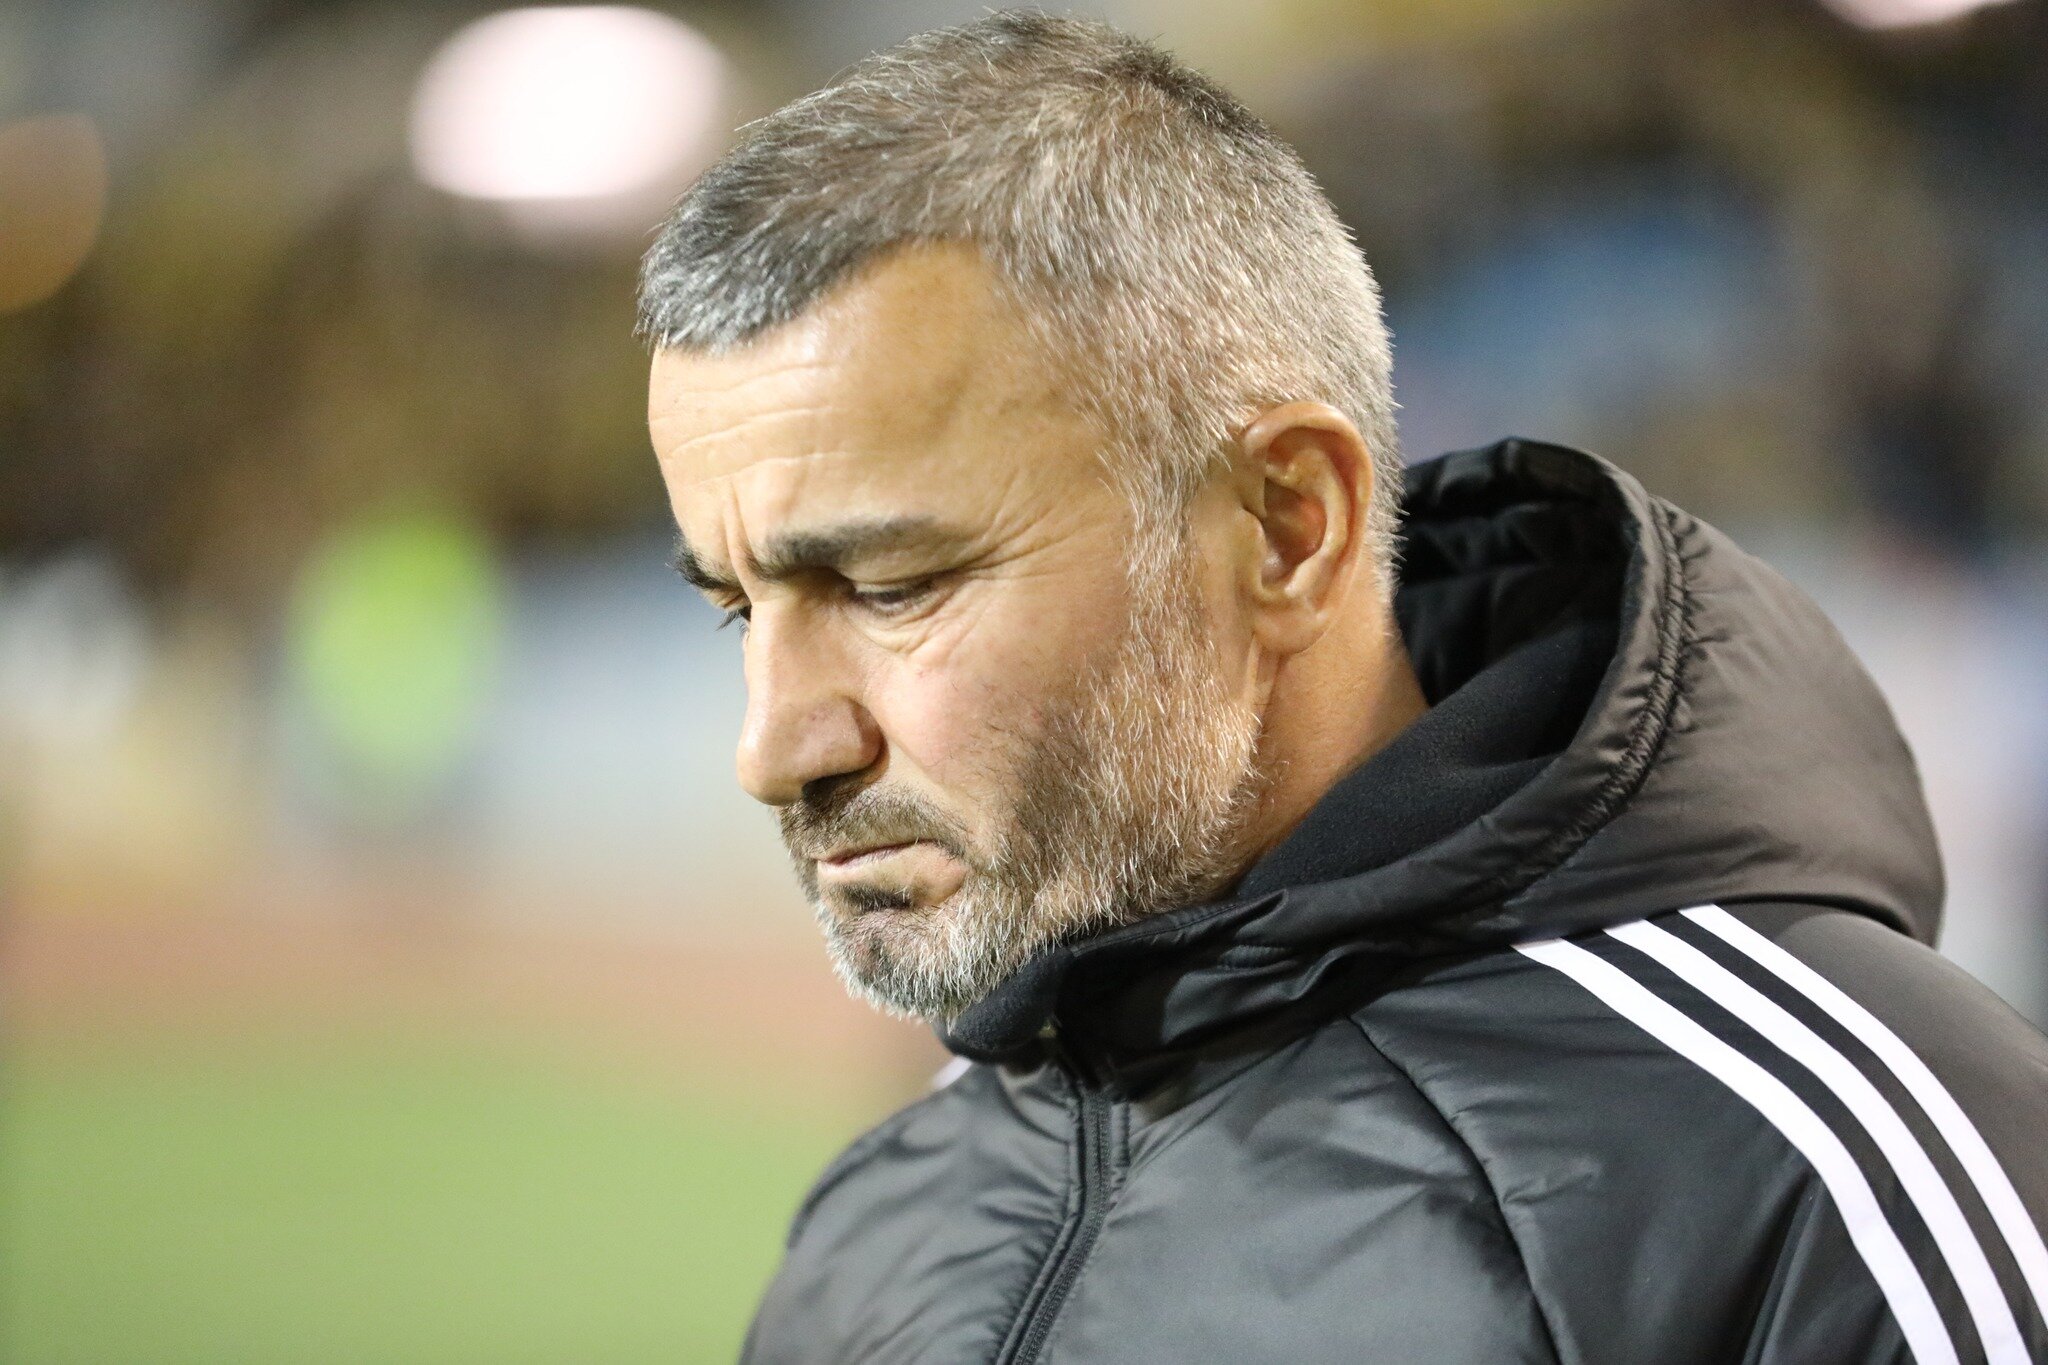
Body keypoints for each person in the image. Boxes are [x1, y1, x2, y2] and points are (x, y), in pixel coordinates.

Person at [638, 13, 2048, 1363]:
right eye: (738, 610)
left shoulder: (1829, 1186)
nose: (775, 747)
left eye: (891, 586)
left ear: (1285, 529)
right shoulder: (883, 1223)